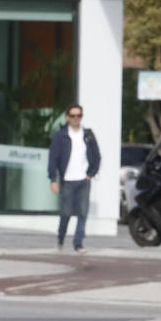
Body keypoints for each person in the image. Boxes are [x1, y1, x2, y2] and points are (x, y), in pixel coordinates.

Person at [47, 103, 101, 253]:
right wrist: (53, 179)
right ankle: (61, 238)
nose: (76, 118)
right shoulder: (61, 136)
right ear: (67, 117)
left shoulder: (88, 135)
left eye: (79, 115)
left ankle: (78, 243)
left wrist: (91, 173)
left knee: (83, 212)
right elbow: (53, 158)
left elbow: (97, 156)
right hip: (67, 181)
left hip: (84, 180)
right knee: (66, 213)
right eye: (73, 116)